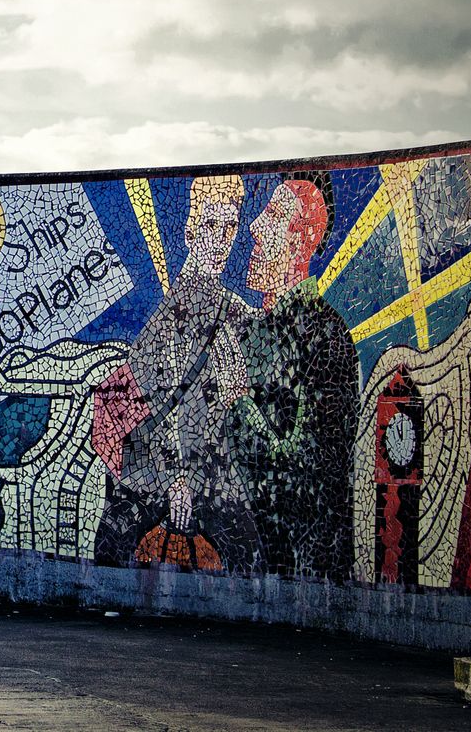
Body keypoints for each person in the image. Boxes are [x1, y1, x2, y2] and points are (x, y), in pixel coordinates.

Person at [95, 175, 263, 572]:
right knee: (113, 546)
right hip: (165, 476)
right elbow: (155, 403)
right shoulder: (170, 315)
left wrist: (236, 392)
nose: (220, 239)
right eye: (210, 226)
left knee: (252, 555)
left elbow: (230, 408)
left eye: (229, 227)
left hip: (212, 471)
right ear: (189, 231)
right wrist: (173, 482)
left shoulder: (237, 313)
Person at [224, 173, 359, 580]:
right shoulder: (248, 333)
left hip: (304, 573)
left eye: (275, 214)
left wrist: (239, 400)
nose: (255, 226)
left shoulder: (327, 336)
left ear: (302, 241)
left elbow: (309, 475)